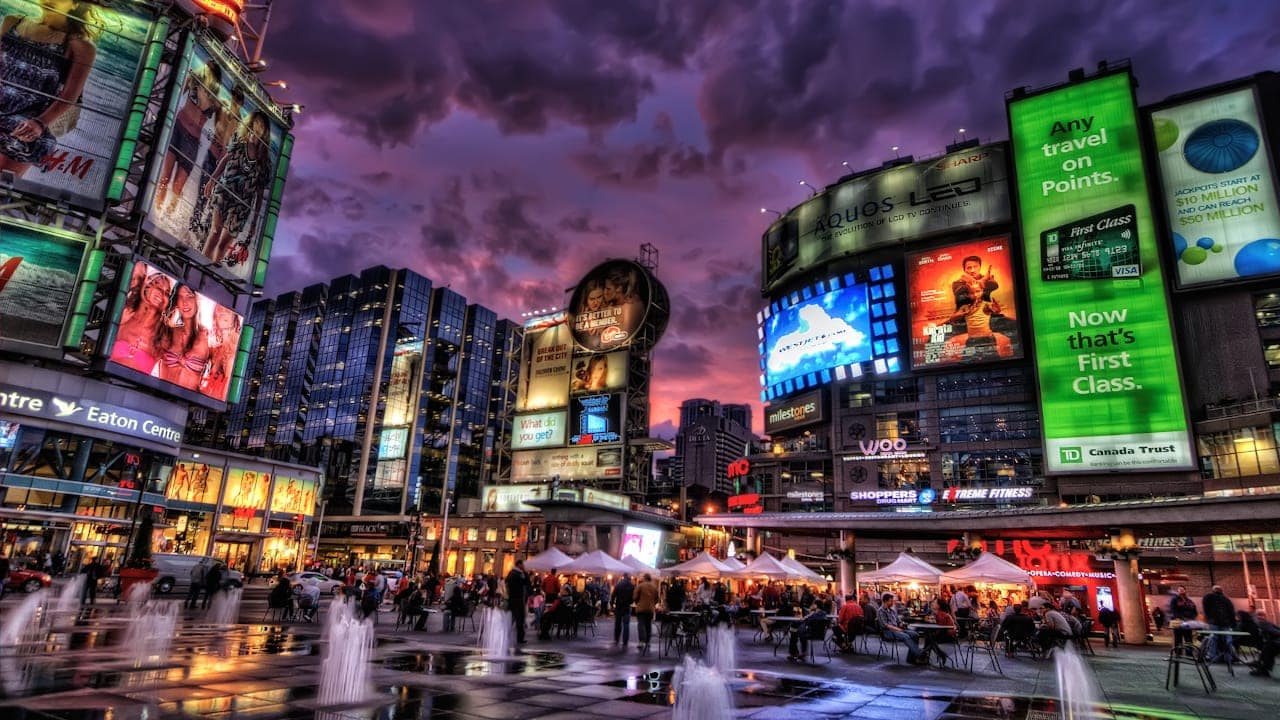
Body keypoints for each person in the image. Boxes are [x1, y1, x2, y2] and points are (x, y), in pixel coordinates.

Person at [0, 1, 99, 179]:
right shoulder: (12, 22)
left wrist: (40, 123)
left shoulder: (81, 47)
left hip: (26, 121)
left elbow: (69, 95)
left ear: (75, 4)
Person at [202, 109, 274, 266]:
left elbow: (260, 193)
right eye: (257, 123)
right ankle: (199, 263)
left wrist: (254, 223)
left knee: (224, 244)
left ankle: (207, 274)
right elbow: (225, 159)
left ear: (266, 131)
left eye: (263, 126)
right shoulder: (239, 141)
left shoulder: (265, 162)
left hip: (242, 205)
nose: (259, 127)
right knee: (214, 232)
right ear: (251, 123)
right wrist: (212, 180)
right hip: (224, 193)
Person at [190, 85, 244, 237]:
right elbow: (207, 103)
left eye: (237, 100)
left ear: (240, 103)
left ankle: (204, 231)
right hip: (211, 157)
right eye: (234, 98)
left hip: (223, 168)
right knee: (202, 195)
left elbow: (235, 150)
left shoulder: (241, 126)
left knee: (215, 203)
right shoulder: (222, 109)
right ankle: (193, 227)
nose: (235, 102)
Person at [944, 255, 1014, 361]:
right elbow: (959, 291)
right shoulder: (957, 283)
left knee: (1013, 325)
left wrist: (975, 279)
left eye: (975, 267)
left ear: (979, 267)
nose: (972, 270)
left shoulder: (985, 279)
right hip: (963, 319)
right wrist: (981, 280)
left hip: (987, 316)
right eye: (969, 268)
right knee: (934, 335)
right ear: (964, 269)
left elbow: (994, 285)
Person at [111, 265, 172, 374]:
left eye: (167, 293)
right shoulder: (124, 314)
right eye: (157, 286)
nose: (162, 294)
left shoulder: (165, 336)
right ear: (146, 285)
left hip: (134, 389)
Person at [156, 283, 210, 391]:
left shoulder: (208, 337)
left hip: (186, 403)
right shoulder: (169, 332)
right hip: (160, 394)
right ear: (176, 302)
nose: (185, 302)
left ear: (197, 299)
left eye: (189, 296)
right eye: (180, 297)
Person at [200, 304, 240, 400]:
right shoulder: (216, 350)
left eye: (228, 311)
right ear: (215, 318)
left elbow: (226, 394)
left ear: (234, 318)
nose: (223, 311)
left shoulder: (234, 350)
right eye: (220, 309)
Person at [877, 593, 925, 665]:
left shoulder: (892, 611)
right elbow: (885, 625)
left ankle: (910, 658)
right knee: (905, 636)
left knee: (915, 634)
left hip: (897, 629)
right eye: (891, 601)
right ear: (885, 601)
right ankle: (920, 654)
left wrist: (902, 624)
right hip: (887, 632)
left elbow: (898, 621)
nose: (892, 602)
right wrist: (897, 629)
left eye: (892, 601)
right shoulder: (880, 611)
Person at [1201, 585, 1237, 663]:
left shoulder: (1208, 597)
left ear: (1213, 590)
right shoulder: (1226, 600)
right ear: (1222, 591)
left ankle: (1213, 657)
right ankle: (1228, 657)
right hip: (1225, 623)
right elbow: (1232, 612)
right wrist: (1233, 623)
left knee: (1213, 638)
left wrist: (1208, 619)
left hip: (1214, 622)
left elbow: (1206, 609)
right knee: (1227, 639)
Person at [1249, 609, 1280, 677]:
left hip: (1274, 643)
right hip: (1273, 642)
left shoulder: (1263, 623)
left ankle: (1263, 667)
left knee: (1268, 647)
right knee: (1267, 647)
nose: (1260, 617)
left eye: (1262, 615)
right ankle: (1262, 666)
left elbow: (1274, 631)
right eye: (1258, 615)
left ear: (1265, 616)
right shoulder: (1266, 623)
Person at [505, 559, 529, 644]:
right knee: (519, 619)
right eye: (522, 564)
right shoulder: (518, 574)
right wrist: (525, 574)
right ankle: (520, 638)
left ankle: (505, 635)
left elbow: (507, 582)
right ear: (519, 565)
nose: (524, 566)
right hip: (517, 599)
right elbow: (526, 583)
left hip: (513, 599)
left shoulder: (512, 573)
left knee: (511, 619)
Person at [634, 573, 659, 651]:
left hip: (641, 608)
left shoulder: (640, 586)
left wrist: (638, 602)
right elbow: (657, 599)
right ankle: (648, 642)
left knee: (641, 624)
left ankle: (641, 641)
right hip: (650, 609)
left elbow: (635, 596)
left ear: (644, 578)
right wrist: (652, 604)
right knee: (648, 625)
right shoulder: (654, 587)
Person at [611, 572, 635, 648]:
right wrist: (630, 602)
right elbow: (633, 597)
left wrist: (612, 604)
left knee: (618, 623)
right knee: (626, 624)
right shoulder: (632, 586)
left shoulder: (618, 584)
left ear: (623, 577)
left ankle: (617, 639)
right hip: (627, 607)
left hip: (619, 606)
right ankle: (625, 641)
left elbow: (613, 595)